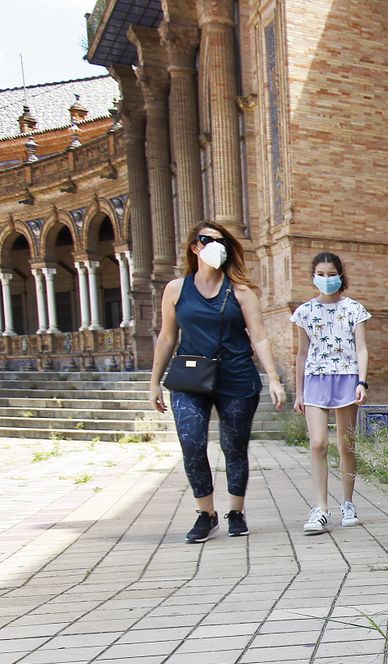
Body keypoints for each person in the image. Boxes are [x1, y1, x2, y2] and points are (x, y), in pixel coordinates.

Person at [149, 221, 286, 543]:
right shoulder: (176, 289)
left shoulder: (241, 292)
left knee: (234, 447)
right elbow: (167, 337)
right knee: (192, 442)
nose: (215, 246)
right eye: (207, 240)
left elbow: (261, 338)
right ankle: (206, 514)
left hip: (236, 376)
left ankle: (236, 512)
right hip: (190, 377)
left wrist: (275, 379)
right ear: (194, 247)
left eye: (221, 242)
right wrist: (154, 381)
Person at [291, 252, 371, 534]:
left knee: (346, 444)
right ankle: (320, 508)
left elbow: (361, 348)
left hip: (347, 378)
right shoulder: (304, 312)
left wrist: (362, 382)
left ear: (340, 275)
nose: (327, 279)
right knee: (317, 443)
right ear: (314, 276)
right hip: (315, 379)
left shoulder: (354, 309)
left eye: (331, 274)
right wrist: (299, 392)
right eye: (321, 274)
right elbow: (301, 354)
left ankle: (348, 502)